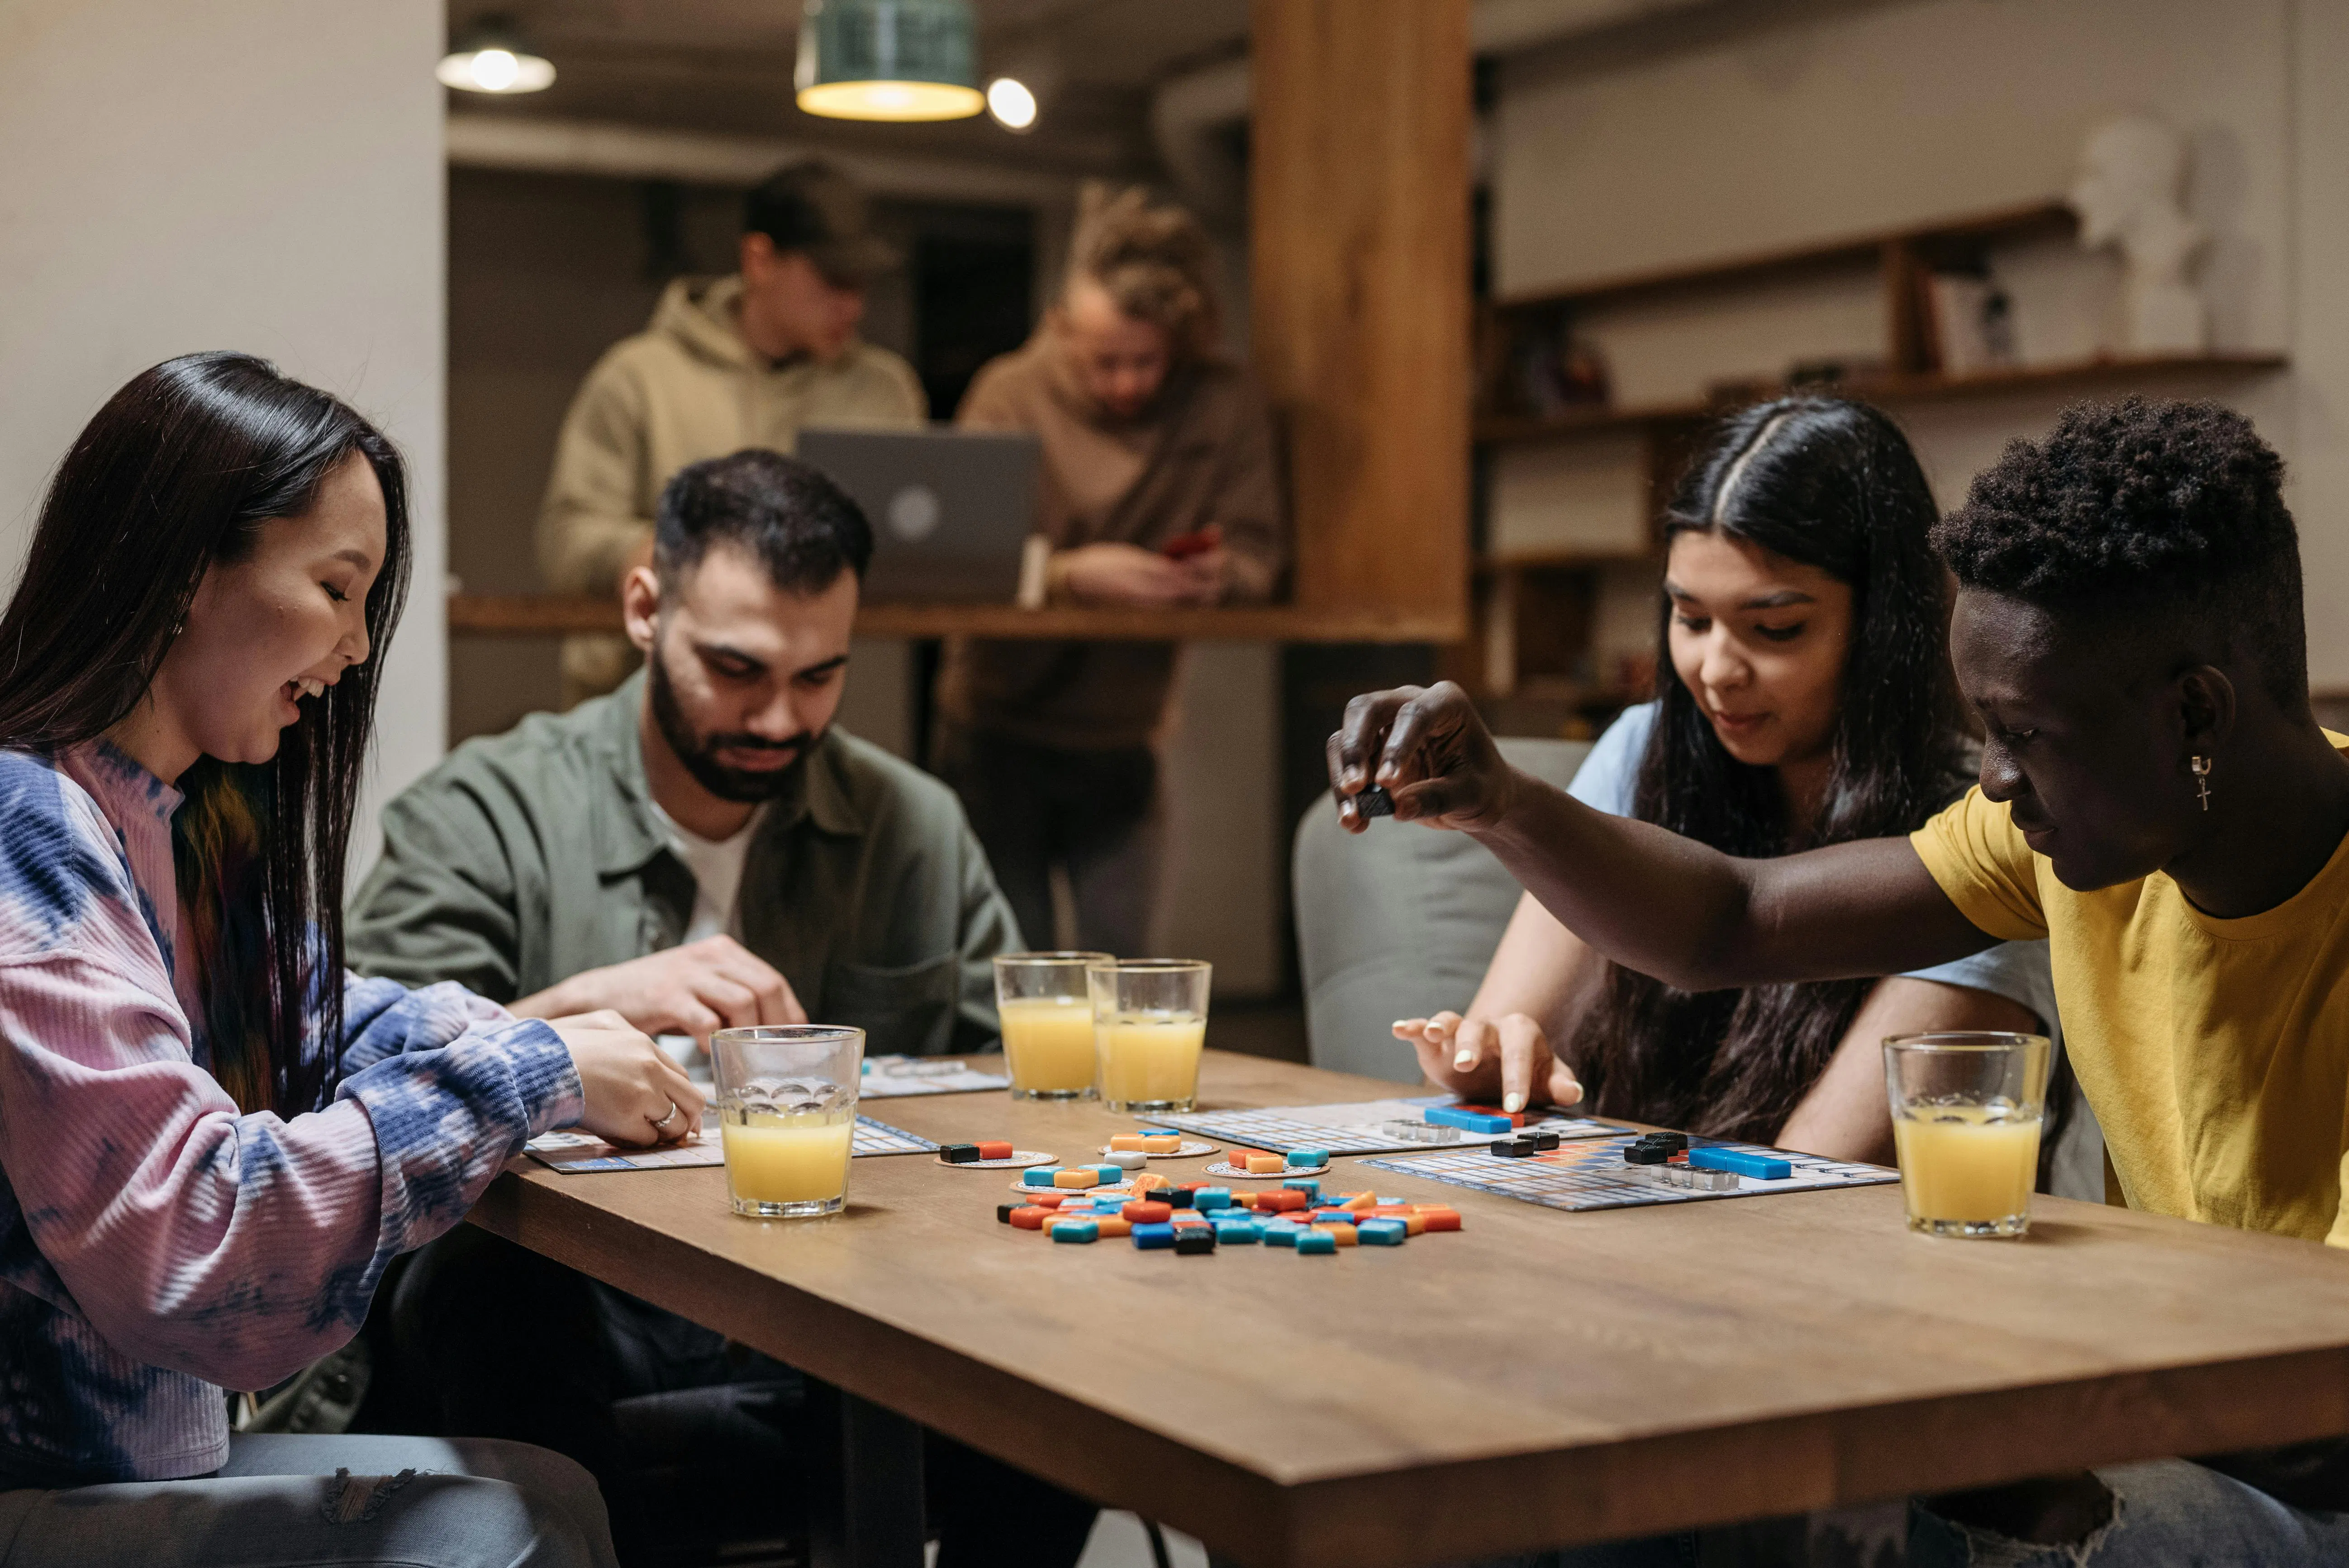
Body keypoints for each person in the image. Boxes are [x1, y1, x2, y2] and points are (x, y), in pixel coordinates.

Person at [1332, 398, 2349, 1563]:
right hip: (2172, 1418)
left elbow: (2313, 1421)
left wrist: (2014, 1384)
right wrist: (1500, 802)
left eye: (2022, 733)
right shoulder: (2069, 840)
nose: (1992, 779)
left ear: (2194, 714)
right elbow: (1733, 918)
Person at [0, 352, 701, 1567]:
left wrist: (552, 1049)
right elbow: (198, 1244)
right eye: (338, 587)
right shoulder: (27, 829)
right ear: (184, 573)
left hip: (137, 1461)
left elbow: (318, 1025)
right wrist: (533, 1071)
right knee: (512, 1522)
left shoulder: (177, 818)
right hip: (40, 1481)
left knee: (554, 1490)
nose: (359, 646)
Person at [350, 449, 1090, 1568]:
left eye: (820, 677)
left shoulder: (911, 826)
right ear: (645, 608)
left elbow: (1019, 1082)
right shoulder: (483, 812)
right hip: (580, 1311)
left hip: (838, 1309)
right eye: (738, 668)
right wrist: (585, 1010)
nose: (780, 719)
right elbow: (353, 1083)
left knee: (1079, 1355)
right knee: (488, 1287)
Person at [1393, 399, 2054, 1165]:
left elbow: (1811, 1178)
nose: (1714, 671)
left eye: (1774, 629)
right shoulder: (1643, 745)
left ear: (1882, 624)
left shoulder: (1984, 826)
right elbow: (1499, 1046)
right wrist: (1482, 1063)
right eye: (1689, 618)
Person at [932, 186, 1286, 954]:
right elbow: (953, 562)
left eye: (1147, 361)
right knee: (1005, 979)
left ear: (1182, 342)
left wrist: (1218, 577)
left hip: (1125, 734)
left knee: (1126, 982)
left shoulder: (1222, 402)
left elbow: (1262, 552)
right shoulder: (1008, 393)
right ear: (1061, 330)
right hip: (995, 728)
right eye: (1105, 362)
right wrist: (1067, 577)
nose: (1127, 383)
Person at [541, 160, 925, 706]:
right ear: (760, 260)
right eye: (833, 280)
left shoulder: (886, 391)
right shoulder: (637, 378)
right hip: (643, 705)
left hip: (815, 712)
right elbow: (565, 538)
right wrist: (642, 550)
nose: (853, 305)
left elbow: (916, 548)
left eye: (861, 284)